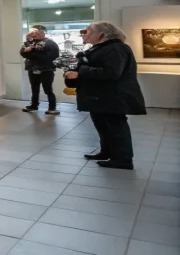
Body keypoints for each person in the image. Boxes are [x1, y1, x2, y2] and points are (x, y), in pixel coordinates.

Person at [64, 22, 146, 170]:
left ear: (101, 34)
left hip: (113, 96)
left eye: (88, 31)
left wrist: (81, 72)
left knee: (115, 127)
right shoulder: (101, 49)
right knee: (103, 126)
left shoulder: (116, 48)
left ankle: (123, 159)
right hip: (100, 96)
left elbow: (112, 73)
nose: (85, 34)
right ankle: (107, 152)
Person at [19, 25, 60, 115]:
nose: (35, 34)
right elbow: (22, 52)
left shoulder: (50, 43)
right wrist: (28, 51)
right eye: (34, 32)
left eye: (37, 32)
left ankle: (52, 107)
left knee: (48, 89)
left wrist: (34, 55)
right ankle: (34, 105)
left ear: (42, 33)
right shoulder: (29, 42)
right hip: (32, 68)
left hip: (46, 70)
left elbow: (53, 55)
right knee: (34, 88)